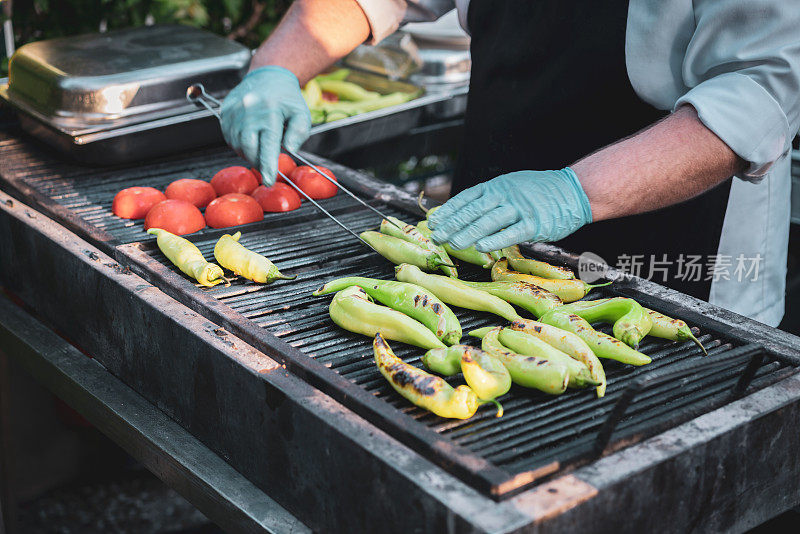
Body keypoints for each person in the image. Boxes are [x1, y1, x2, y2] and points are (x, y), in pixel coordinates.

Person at [220, 0, 800, 326]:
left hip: (677, 241)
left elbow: (757, 90)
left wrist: (574, 192)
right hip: (493, 214)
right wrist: (277, 66)